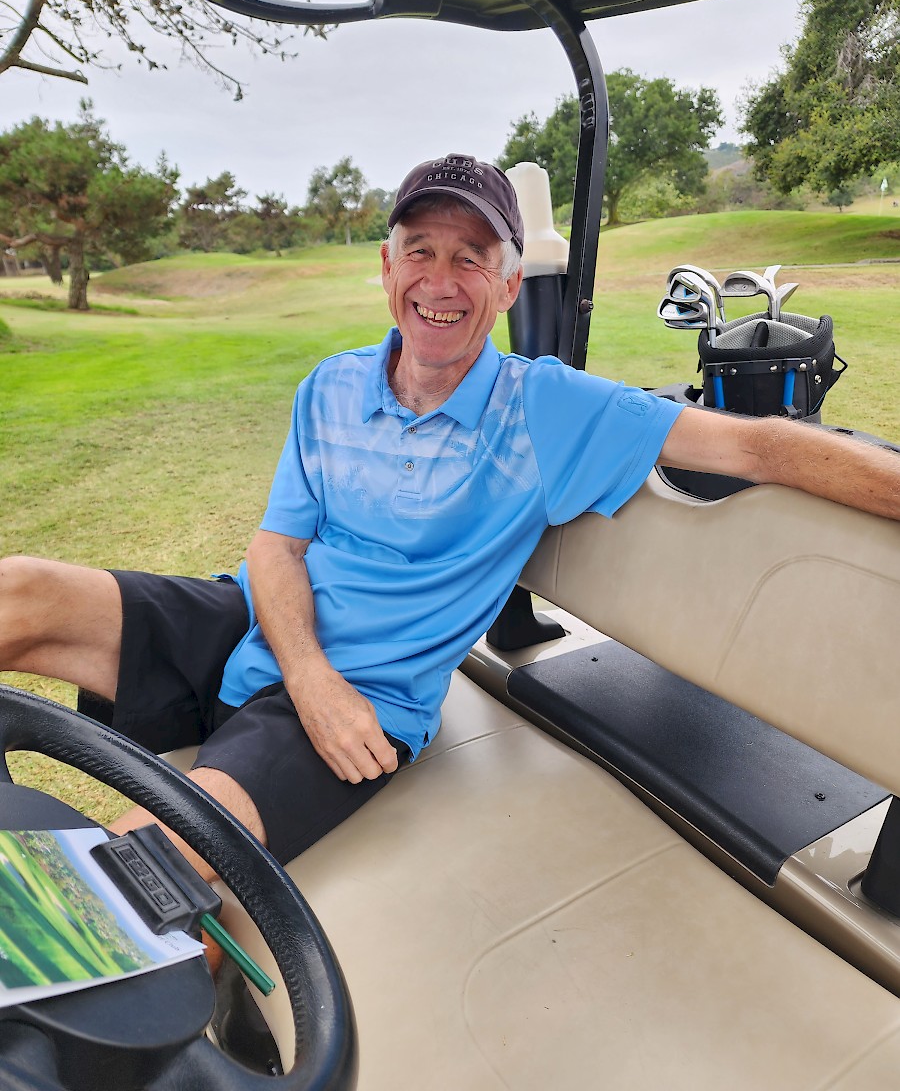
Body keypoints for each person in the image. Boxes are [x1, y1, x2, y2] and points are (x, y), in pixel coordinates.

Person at [1, 152, 898, 880]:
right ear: (386, 267)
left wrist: (320, 689)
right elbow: (276, 546)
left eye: (472, 257)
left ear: (507, 287)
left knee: (145, 864)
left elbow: (759, 448)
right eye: (421, 250)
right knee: (20, 591)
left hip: (371, 693)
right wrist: (305, 673)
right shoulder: (332, 385)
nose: (441, 279)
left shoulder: (546, 409)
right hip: (265, 625)